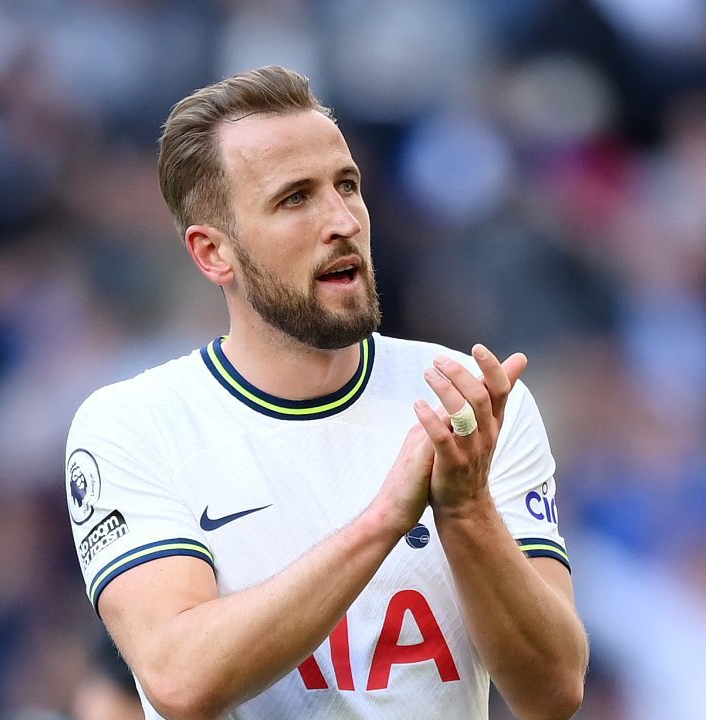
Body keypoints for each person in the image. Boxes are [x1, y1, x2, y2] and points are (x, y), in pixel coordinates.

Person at [64, 65, 588, 720]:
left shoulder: (464, 400)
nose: (342, 221)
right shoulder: (134, 425)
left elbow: (553, 691)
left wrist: (466, 510)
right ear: (213, 253)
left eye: (347, 185)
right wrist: (383, 521)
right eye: (295, 199)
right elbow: (179, 679)